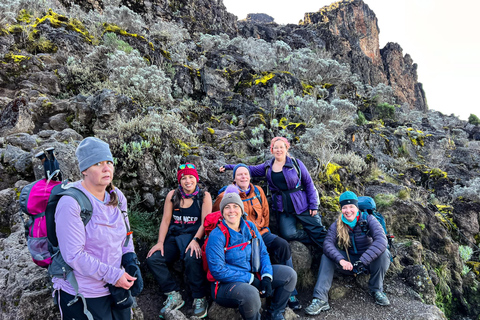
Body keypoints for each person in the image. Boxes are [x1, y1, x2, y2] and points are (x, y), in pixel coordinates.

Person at [54, 137, 141, 320]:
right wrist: (113, 274)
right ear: (84, 170)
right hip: (83, 294)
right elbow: (74, 255)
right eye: (97, 163)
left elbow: (126, 236)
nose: (106, 168)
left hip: (115, 288)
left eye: (109, 162)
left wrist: (131, 261)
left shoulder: (117, 196)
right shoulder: (71, 203)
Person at [213, 163, 301, 310]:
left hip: (260, 233)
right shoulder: (225, 196)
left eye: (246, 174)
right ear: (234, 178)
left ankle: (291, 291)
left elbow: (265, 214)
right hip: (242, 238)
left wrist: (261, 232)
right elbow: (218, 216)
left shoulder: (258, 191)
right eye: (239, 174)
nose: (243, 176)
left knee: (283, 245)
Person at [219, 136, 326, 248]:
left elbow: (308, 183)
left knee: (318, 232)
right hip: (283, 208)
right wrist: (228, 167)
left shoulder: (296, 164)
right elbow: (248, 169)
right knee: (288, 234)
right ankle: (311, 239)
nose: (278, 150)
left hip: (301, 203)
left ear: (286, 148)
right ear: (272, 150)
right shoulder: (267, 166)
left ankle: (334, 254)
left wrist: (313, 205)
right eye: (276, 148)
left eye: (281, 147)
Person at [305, 191, 391, 315]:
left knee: (384, 253)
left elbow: (382, 240)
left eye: (351, 207)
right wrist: (341, 260)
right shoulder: (338, 223)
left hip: (368, 262)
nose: (348, 210)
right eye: (344, 207)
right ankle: (320, 299)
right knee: (326, 257)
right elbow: (327, 244)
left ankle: (376, 290)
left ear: (357, 207)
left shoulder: (369, 219)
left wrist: (363, 261)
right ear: (341, 209)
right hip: (349, 263)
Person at [146, 163, 212, 318]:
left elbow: (205, 223)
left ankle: (199, 297)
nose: (187, 181)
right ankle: (173, 294)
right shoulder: (173, 195)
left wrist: (196, 240)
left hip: (195, 236)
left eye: (190, 177)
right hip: (175, 238)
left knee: (192, 257)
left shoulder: (204, 196)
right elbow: (165, 221)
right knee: (153, 259)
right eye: (184, 178)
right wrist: (160, 242)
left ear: (196, 178)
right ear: (179, 180)